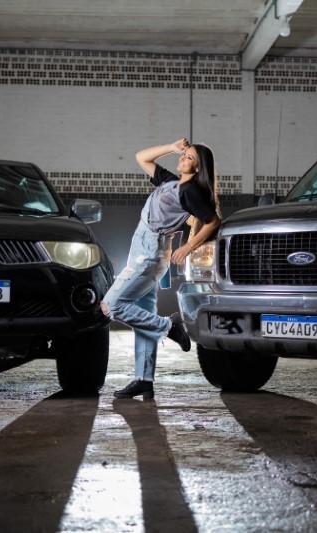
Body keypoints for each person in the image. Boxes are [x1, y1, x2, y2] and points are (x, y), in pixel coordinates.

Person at [102, 138, 221, 399]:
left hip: (151, 252)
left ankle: (169, 326)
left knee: (111, 305)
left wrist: (188, 247)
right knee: (143, 317)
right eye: (184, 155)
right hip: (142, 247)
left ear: (198, 168)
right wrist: (172, 147)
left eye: (189, 158)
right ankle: (144, 380)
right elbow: (141, 157)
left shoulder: (190, 191)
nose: (183, 158)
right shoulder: (170, 181)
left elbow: (212, 221)